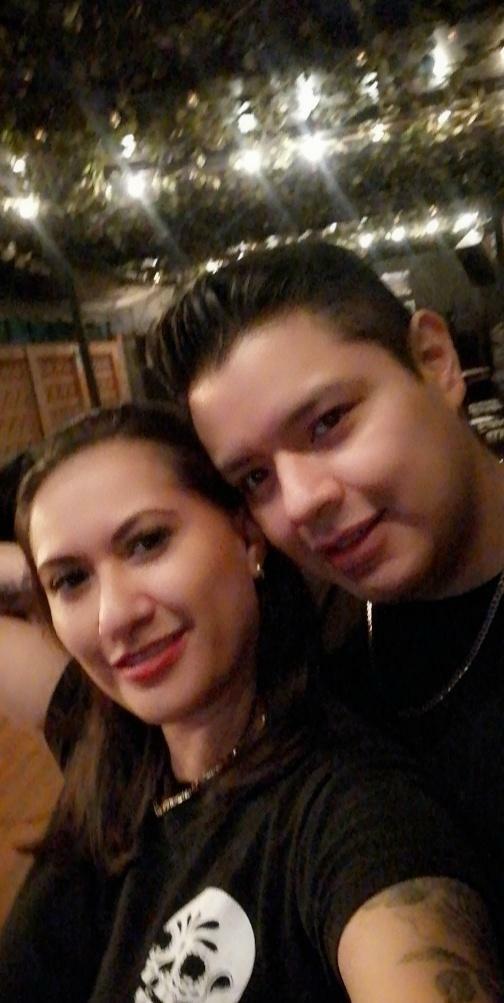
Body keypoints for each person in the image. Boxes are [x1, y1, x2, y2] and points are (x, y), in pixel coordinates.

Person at [0, 402, 501, 1002]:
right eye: (71, 579)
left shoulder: (349, 809)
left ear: (247, 536)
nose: (114, 617)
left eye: (147, 542)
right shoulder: (113, 756)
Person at [151, 240, 504, 906]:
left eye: (328, 422)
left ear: (436, 361)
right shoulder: (309, 639)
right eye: (255, 478)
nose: (300, 502)